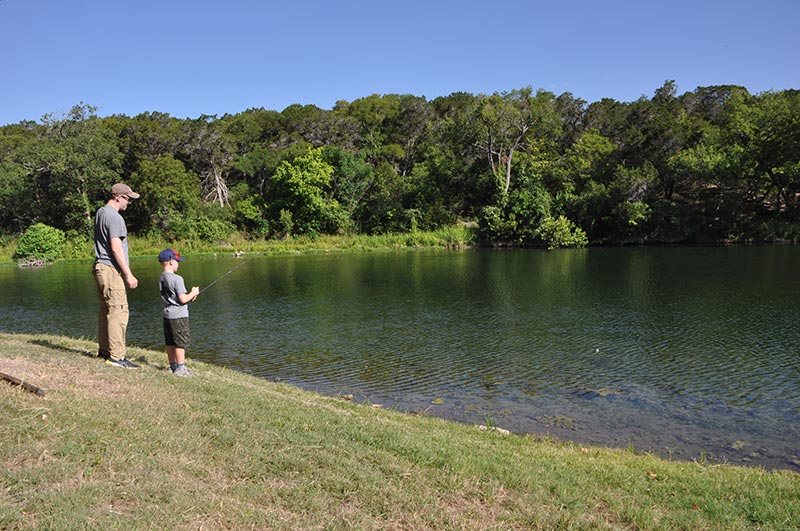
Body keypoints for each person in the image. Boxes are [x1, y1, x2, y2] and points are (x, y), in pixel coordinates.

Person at [93, 183, 140, 368]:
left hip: (100, 267)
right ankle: (117, 357)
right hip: (111, 269)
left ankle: (105, 351)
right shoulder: (115, 217)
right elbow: (116, 247)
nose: (129, 203)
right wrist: (128, 274)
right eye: (128, 199)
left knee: (106, 310)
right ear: (118, 197)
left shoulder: (100, 212)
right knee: (118, 311)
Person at [158, 248, 200, 377]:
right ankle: (181, 368)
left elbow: (175, 298)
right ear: (171, 262)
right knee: (180, 343)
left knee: (170, 342)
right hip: (179, 316)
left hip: (167, 315)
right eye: (177, 261)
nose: (178, 263)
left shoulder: (162, 277)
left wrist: (189, 297)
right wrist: (193, 292)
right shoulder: (177, 279)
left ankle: (173, 366)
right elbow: (182, 299)